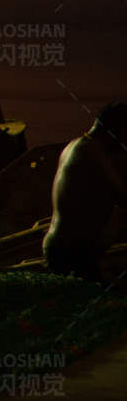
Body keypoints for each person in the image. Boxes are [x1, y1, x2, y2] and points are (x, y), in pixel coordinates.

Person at [43, 101, 127, 283]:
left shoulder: (80, 145)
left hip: (71, 249)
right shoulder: (89, 149)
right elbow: (122, 194)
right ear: (118, 129)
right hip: (70, 251)